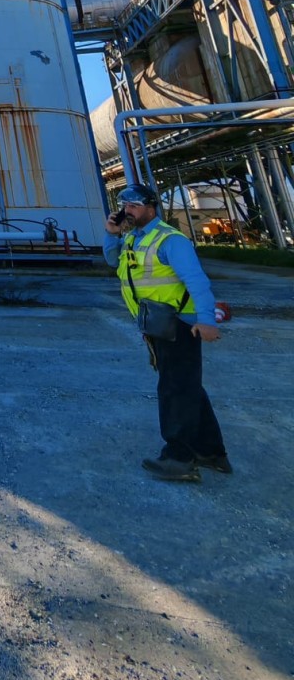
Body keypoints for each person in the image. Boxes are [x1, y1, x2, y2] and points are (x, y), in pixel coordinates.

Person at [103, 183, 230, 482]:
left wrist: (207, 320)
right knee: (188, 387)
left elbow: (197, 281)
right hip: (156, 324)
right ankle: (210, 452)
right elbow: (113, 261)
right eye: (124, 205)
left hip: (179, 325)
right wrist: (111, 235)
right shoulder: (134, 238)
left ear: (151, 207)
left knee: (175, 390)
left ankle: (179, 458)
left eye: (133, 205)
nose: (127, 211)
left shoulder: (170, 240)